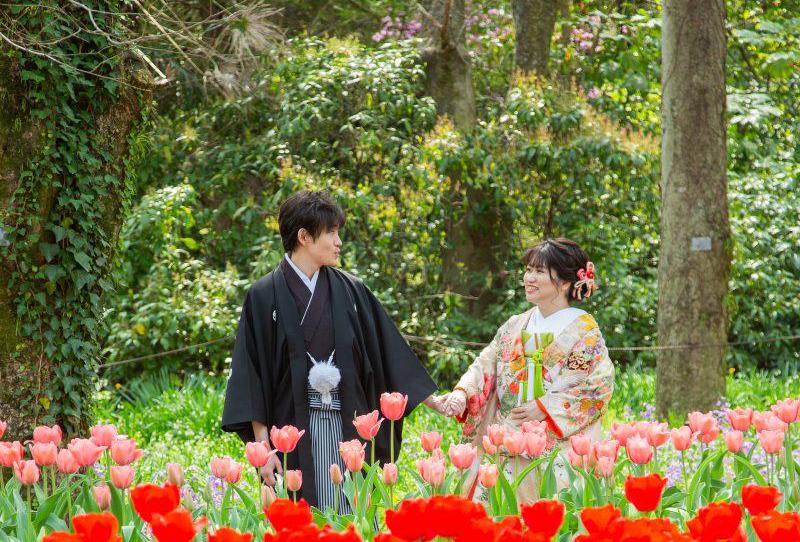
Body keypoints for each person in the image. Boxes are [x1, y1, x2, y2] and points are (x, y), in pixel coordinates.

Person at [222, 190, 442, 510]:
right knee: (300, 522)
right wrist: (263, 449)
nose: (339, 242)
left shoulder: (352, 290)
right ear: (304, 237)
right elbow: (250, 377)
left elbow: (388, 353)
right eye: (332, 233)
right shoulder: (262, 295)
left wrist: (433, 400)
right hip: (291, 432)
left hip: (346, 424)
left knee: (350, 516)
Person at [441, 237, 614, 501]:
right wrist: (463, 392)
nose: (529, 278)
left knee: (546, 522)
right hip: (507, 437)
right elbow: (486, 364)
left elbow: (598, 388)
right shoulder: (515, 325)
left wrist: (544, 406)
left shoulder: (584, 332)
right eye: (528, 270)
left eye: (540, 271)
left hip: (554, 445)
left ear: (567, 282)